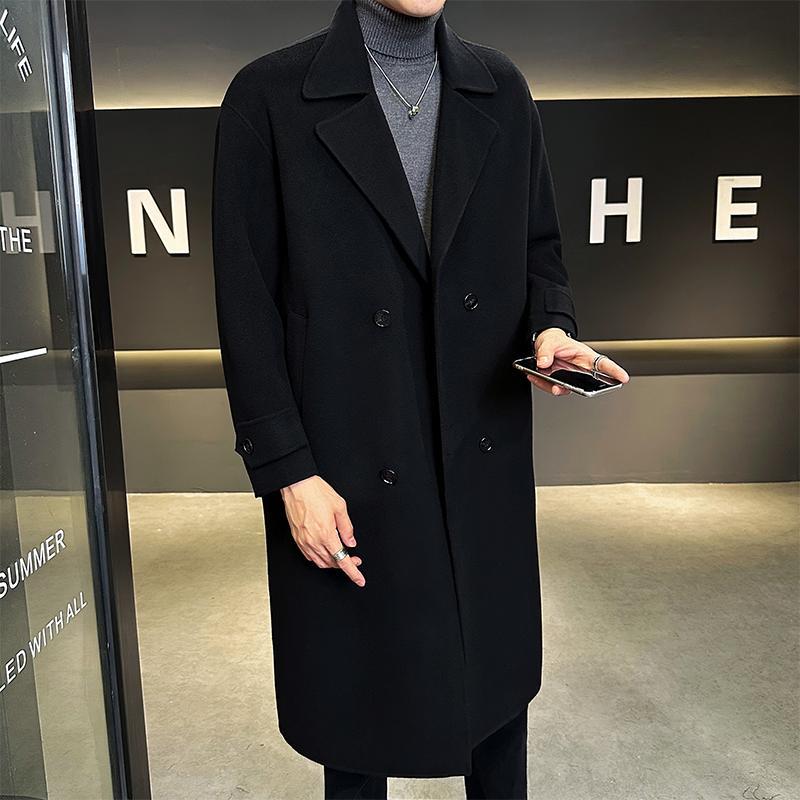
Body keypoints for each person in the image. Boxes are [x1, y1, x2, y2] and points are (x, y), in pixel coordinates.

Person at [211, 0, 629, 798]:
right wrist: (289, 474)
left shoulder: (500, 88)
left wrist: (551, 327)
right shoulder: (268, 97)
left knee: (496, 713)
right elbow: (246, 305)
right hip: (346, 461)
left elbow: (539, 247)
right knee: (356, 724)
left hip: (479, 450)